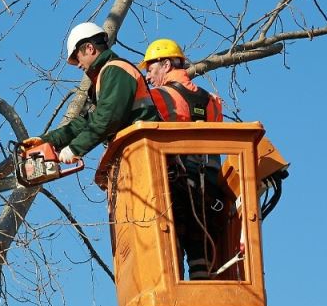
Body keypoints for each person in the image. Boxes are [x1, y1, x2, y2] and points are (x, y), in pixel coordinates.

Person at [137, 39, 225, 281]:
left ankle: (176, 304)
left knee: (169, 253)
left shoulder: (159, 97)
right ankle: (203, 295)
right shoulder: (213, 102)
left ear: (165, 64)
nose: (148, 75)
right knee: (200, 251)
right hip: (208, 190)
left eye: (150, 68)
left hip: (173, 187)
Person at [23, 22, 159, 163]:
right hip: (133, 152)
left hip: (145, 150)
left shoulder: (116, 70)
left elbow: (107, 118)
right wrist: (47, 141)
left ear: (89, 48)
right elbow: (86, 122)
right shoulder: (103, 78)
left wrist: (75, 149)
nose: (78, 64)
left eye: (77, 57)